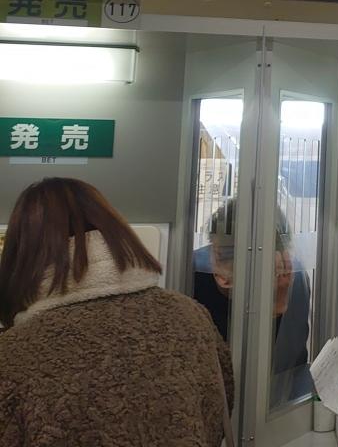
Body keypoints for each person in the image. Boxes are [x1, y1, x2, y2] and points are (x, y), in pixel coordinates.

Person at [0, 177, 234, 447]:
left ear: (20, 255)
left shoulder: (15, 354)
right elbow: (217, 411)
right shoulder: (191, 316)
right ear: (115, 230)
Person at [192, 200, 314, 406]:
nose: (220, 268)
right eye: (219, 252)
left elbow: (290, 372)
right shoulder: (193, 273)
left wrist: (275, 311)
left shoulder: (292, 280)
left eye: (236, 257)